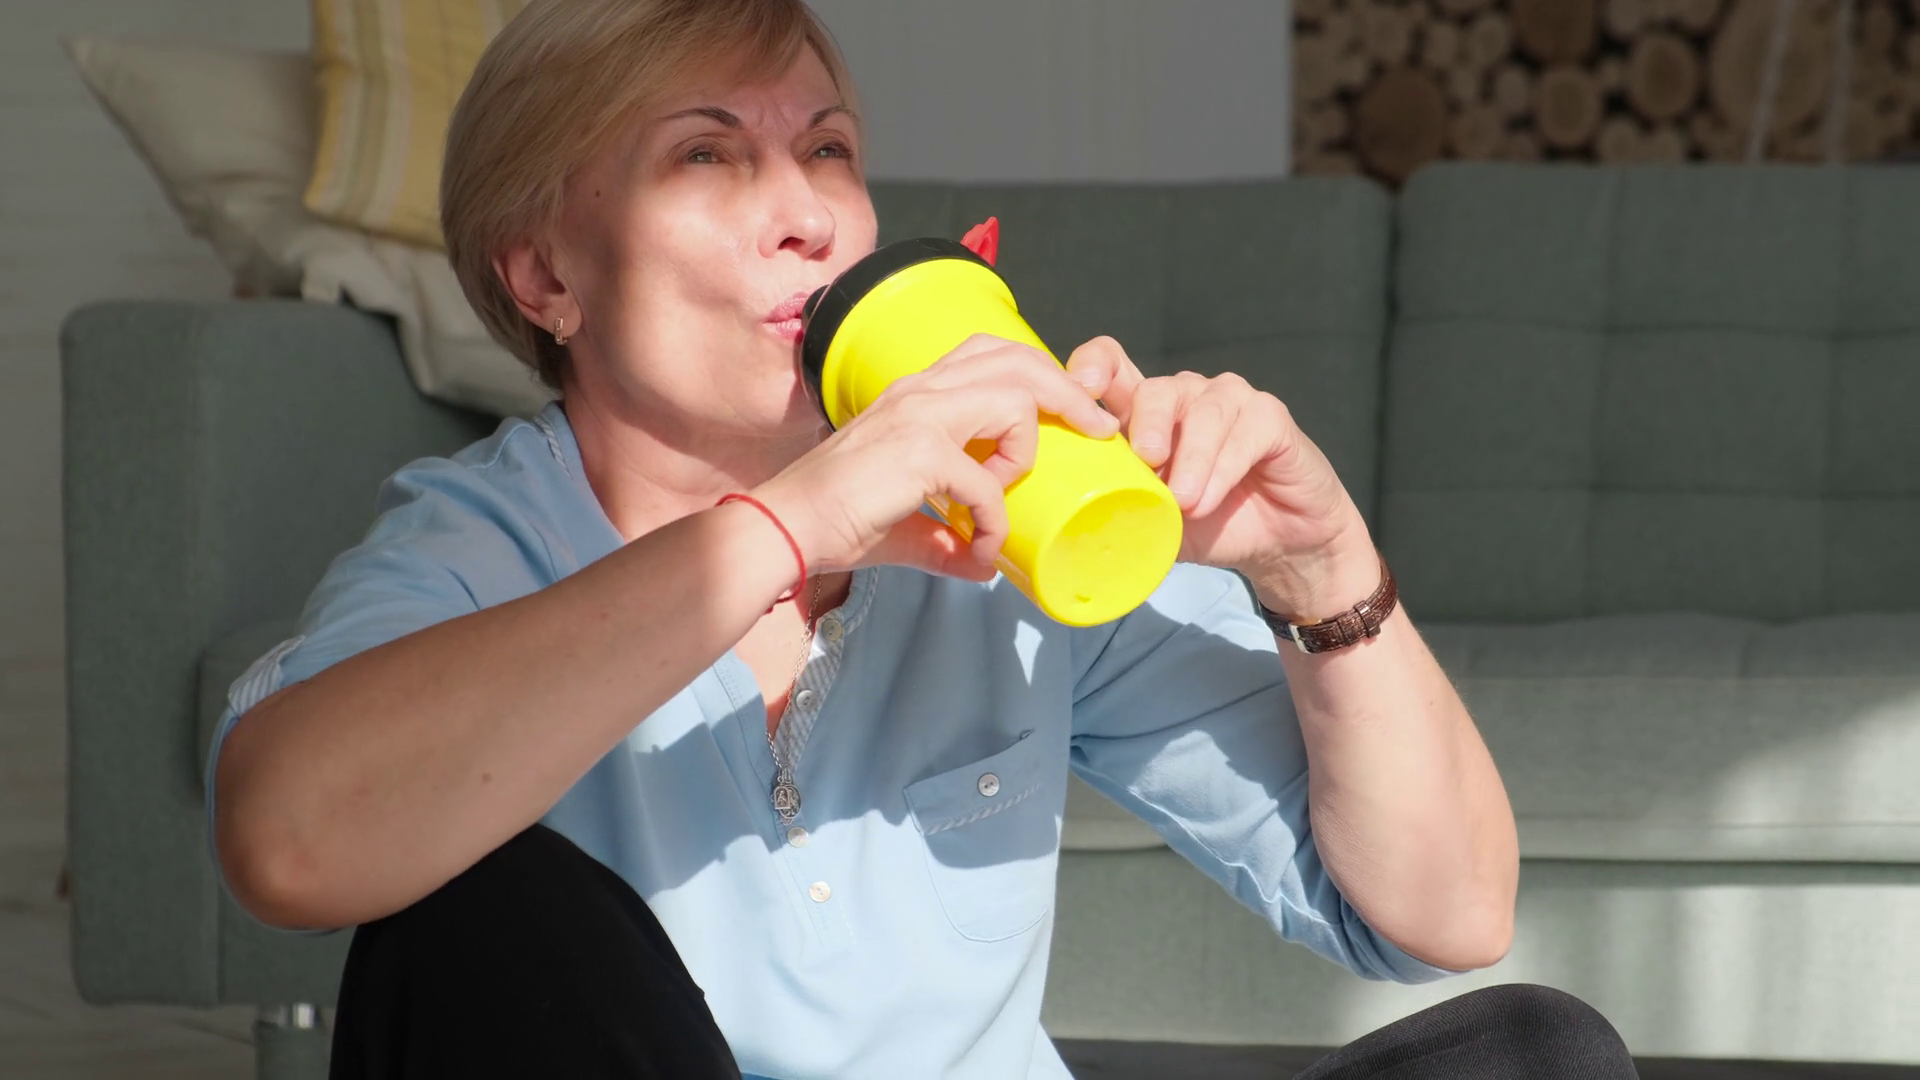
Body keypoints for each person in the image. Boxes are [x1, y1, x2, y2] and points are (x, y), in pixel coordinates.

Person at [206, 1, 1639, 1077]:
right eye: (706, 156)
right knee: (473, 910)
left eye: (826, 150)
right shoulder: (480, 546)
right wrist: (802, 515)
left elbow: (1442, 912)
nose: (808, 215)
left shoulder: (1003, 526)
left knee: (1534, 1056)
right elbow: (292, 842)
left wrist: (1320, 574)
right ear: (544, 275)